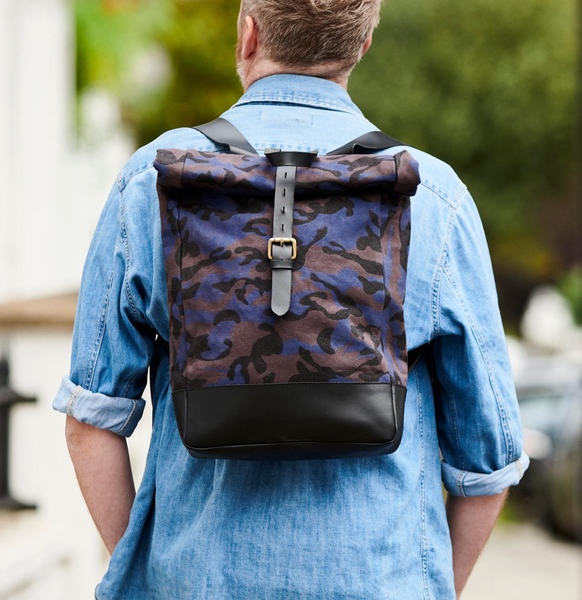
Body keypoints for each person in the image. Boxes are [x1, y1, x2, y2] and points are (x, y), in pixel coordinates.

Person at [54, 1, 529, 598]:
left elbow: (90, 421)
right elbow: (488, 466)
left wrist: (151, 577)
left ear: (248, 34)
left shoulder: (156, 180)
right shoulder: (431, 197)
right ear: (363, 44)